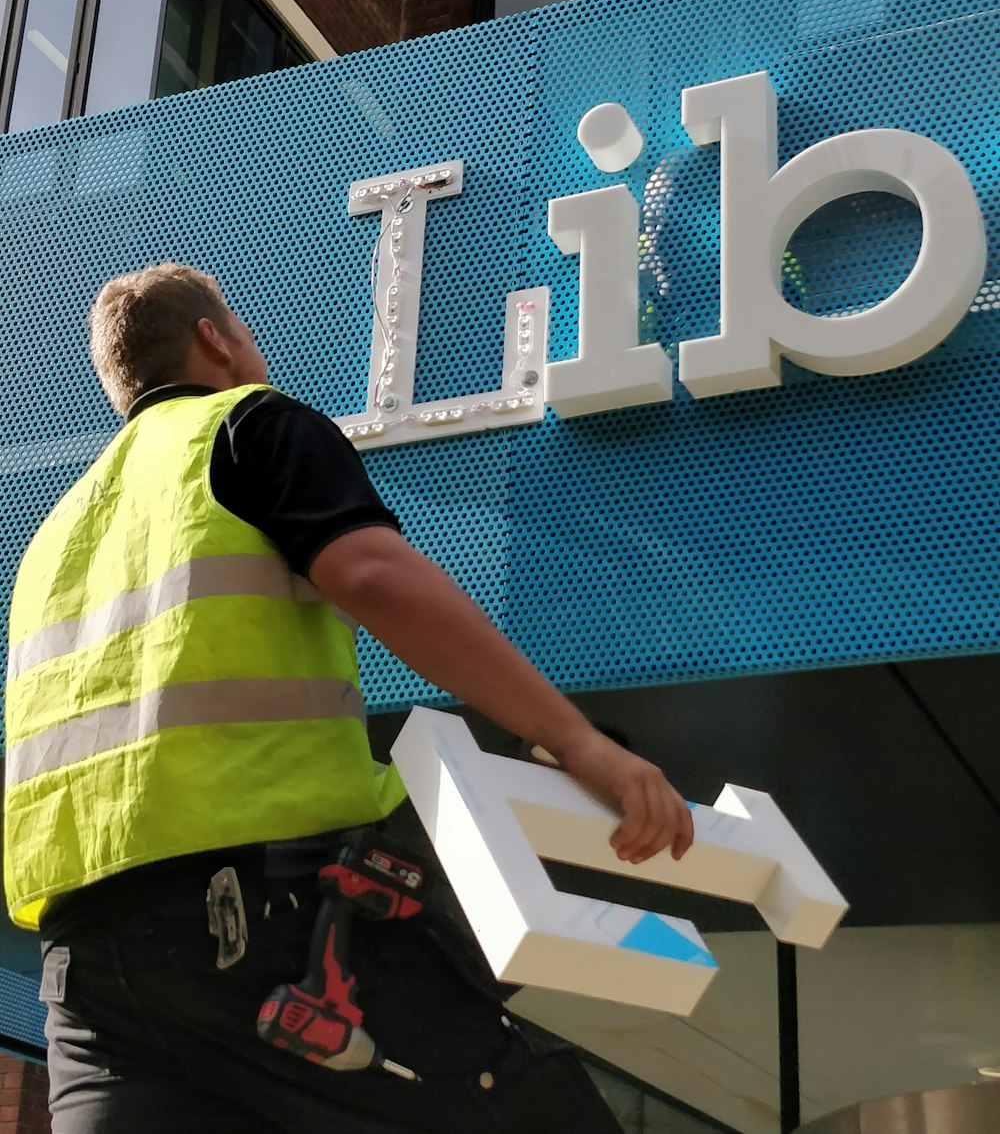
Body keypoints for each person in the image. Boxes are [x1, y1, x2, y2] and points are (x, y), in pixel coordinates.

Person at [2, 263, 693, 1133]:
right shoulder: (250, 424)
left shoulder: (52, 539)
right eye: (247, 335)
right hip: (262, 923)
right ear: (216, 338)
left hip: (87, 978)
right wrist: (581, 740)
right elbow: (369, 573)